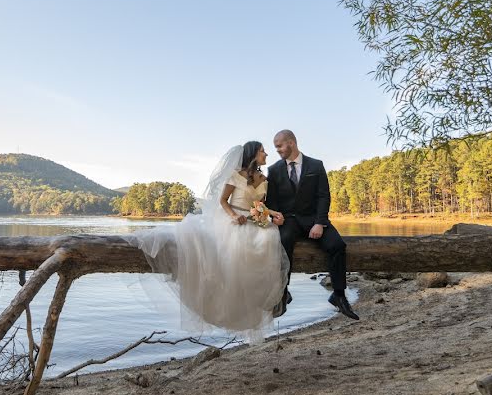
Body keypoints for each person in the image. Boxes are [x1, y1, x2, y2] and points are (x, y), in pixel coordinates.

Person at [129, 141, 289, 342]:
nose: (266, 154)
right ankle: (233, 301)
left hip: (253, 220)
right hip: (235, 219)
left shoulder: (263, 179)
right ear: (253, 155)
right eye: (262, 151)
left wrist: (274, 215)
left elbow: (258, 206)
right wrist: (233, 216)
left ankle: (260, 299)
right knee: (238, 248)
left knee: (268, 237)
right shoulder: (235, 176)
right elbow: (223, 201)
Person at [267, 129, 359, 320]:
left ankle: (339, 295)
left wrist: (319, 223)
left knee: (337, 246)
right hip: (288, 220)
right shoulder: (274, 170)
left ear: (291, 143)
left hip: (313, 219)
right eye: (276, 147)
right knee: (282, 242)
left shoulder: (316, 165)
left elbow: (323, 196)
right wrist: (276, 217)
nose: (277, 150)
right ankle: (283, 292)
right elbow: (273, 201)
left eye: (279, 146)